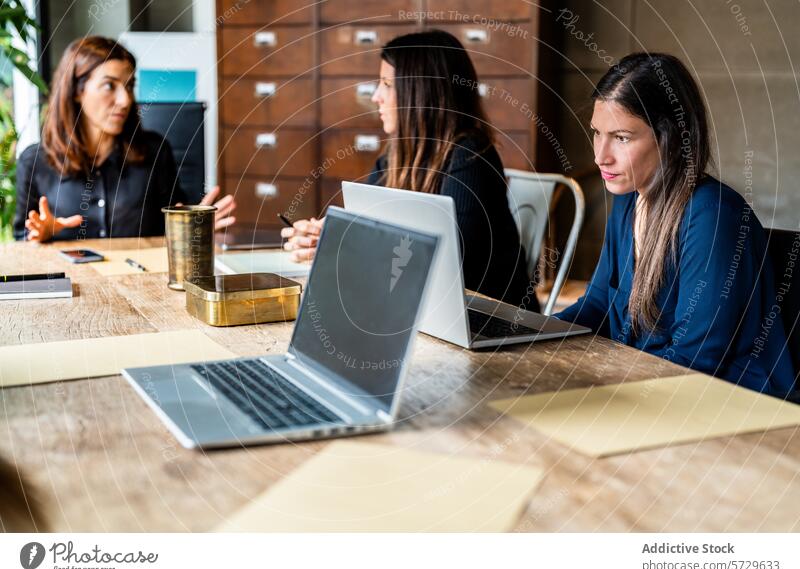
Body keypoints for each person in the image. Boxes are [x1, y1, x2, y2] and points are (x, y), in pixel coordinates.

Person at [556, 53, 795, 398]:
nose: (600, 156)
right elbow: (597, 306)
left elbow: (695, 358)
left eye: (621, 138)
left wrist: (606, 385)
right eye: (597, 133)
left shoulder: (713, 216)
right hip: (654, 391)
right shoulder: (628, 199)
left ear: (669, 137)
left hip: (731, 406)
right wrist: (535, 337)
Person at [282, 30, 533, 309]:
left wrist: (345, 248)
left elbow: (446, 263)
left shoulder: (471, 156)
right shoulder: (395, 156)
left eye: (387, 85)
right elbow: (368, 231)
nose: (376, 96)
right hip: (422, 309)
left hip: (487, 316)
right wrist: (325, 238)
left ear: (421, 93)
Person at [13, 36, 235, 242]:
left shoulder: (155, 151)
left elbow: (174, 227)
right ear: (76, 91)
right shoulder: (35, 161)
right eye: (110, 85)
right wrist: (39, 235)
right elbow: (22, 240)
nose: (125, 99)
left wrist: (192, 229)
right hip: (71, 283)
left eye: (128, 86)